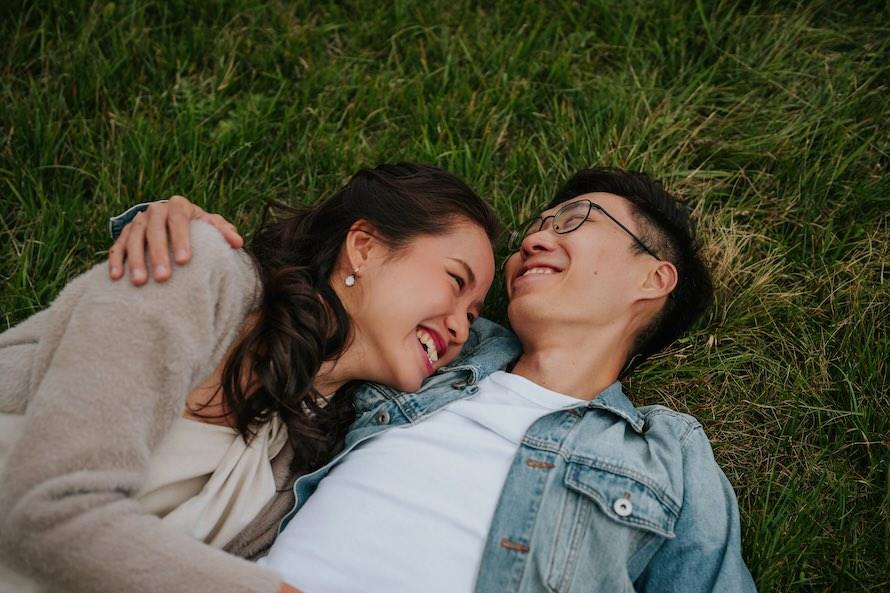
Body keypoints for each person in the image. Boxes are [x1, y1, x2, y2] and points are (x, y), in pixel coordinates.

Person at [110, 167, 757, 592]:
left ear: (652, 277)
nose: (534, 240)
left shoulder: (667, 455)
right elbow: (306, 289)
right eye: (535, 228)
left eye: (572, 220)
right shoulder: (435, 350)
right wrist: (175, 230)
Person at [0, 163, 498, 593]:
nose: (460, 327)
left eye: (474, 315)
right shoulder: (197, 268)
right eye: (456, 281)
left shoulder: (303, 470)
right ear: (364, 247)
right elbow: (43, 511)